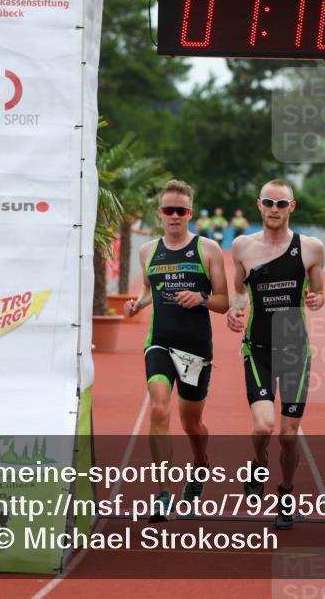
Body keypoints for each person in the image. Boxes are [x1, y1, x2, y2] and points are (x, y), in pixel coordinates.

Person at [125, 180, 229, 521]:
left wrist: (200, 298)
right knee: (158, 408)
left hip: (195, 347)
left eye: (180, 211)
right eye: (168, 210)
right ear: (159, 214)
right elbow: (147, 289)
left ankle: (201, 463)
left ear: (190, 214)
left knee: (192, 424)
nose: (174, 216)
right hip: (159, 341)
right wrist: (137, 304)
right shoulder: (148, 252)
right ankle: (164, 494)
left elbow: (224, 302)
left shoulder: (208, 249)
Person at [227, 179, 325, 530]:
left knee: (288, 434)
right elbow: (238, 291)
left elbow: (319, 292)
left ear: (291, 207)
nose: (274, 209)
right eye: (268, 202)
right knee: (264, 425)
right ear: (259, 204)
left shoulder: (311, 248)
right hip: (259, 350)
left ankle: (286, 493)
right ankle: (257, 461)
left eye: (281, 204)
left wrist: (317, 299)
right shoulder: (242, 247)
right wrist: (235, 311)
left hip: (296, 351)